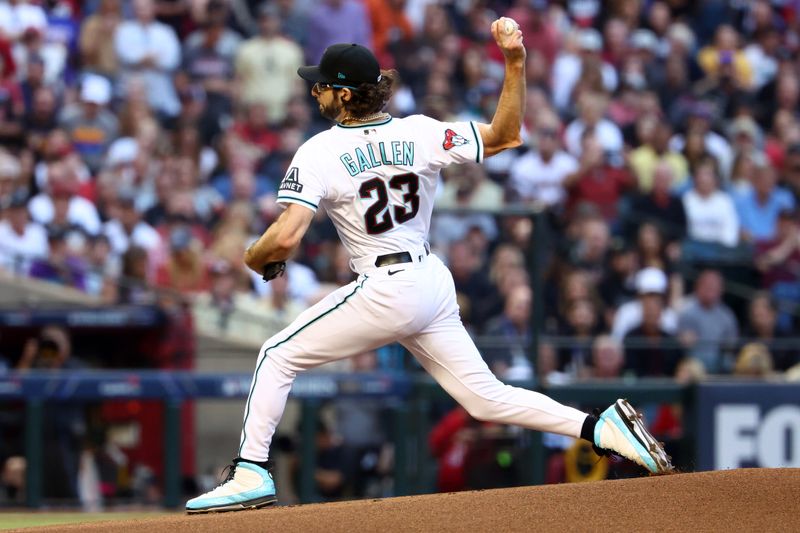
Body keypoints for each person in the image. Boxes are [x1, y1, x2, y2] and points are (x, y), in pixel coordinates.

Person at [186, 22, 672, 514]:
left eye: (323, 85)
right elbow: (504, 135)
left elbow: (286, 236)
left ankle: (251, 470)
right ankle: (600, 428)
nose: (315, 92)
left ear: (346, 94)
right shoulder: (418, 131)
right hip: (430, 281)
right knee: (485, 398)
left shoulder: (320, 150)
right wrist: (515, 63)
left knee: (276, 353)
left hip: (385, 286)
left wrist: (254, 255)